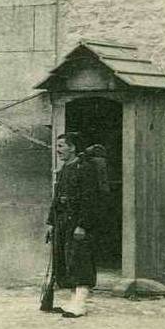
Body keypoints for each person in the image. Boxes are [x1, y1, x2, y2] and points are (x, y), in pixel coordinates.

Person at [46, 132, 99, 318]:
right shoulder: (64, 169)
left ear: (73, 147)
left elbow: (90, 199)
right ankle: (72, 301)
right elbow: (56, 199)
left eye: (61, 146)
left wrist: (83, 225)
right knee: (66, 261)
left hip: (77, 222)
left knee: (80, 260)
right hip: (63, 222)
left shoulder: (85, 168)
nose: (58, 150)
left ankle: (81, 304)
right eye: (57, 146)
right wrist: (51, 223)